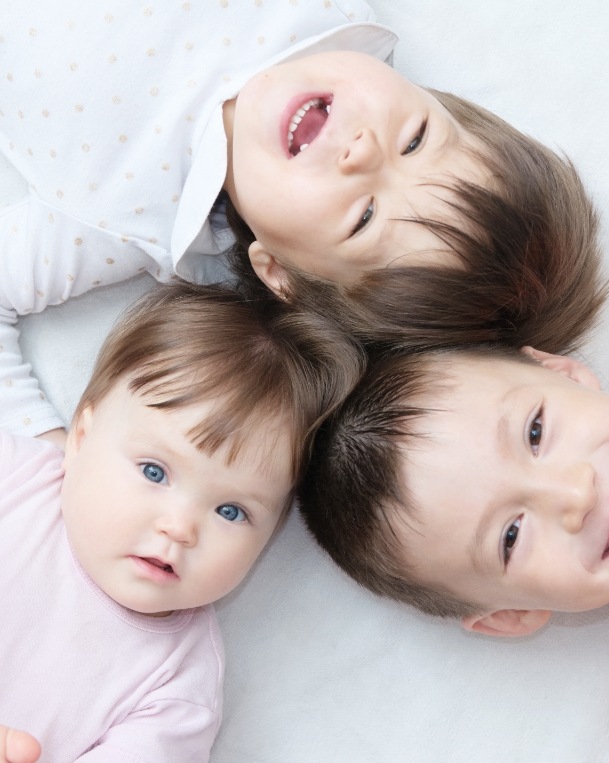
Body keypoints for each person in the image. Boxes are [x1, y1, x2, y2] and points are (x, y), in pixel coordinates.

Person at [0, 0, 607, 446]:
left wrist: (47, 450)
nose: (363, 151)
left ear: (279, 272)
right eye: (416, 138)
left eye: (364, 217)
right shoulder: (327, 16)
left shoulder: (131, 223)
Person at [298, 343, 609, 761]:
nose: (576, 494)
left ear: (562, 373)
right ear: (509, 614)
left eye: (535, 433)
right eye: (511, 536)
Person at [0, 280, 363, 762]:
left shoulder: (177, 691)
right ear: (81, 438)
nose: (180, 527)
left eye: (231, 511)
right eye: (155, 472)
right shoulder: (16, 478)